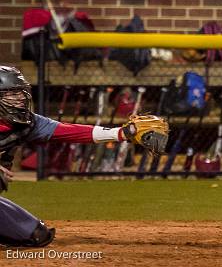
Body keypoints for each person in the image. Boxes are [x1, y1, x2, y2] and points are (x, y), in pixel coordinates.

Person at [0, 66, 167, 248]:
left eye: (21, 93)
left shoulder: (27, 123)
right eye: (11, 95)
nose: (20, 100)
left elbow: (69, 131)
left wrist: (123, 133)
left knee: (38, 236)